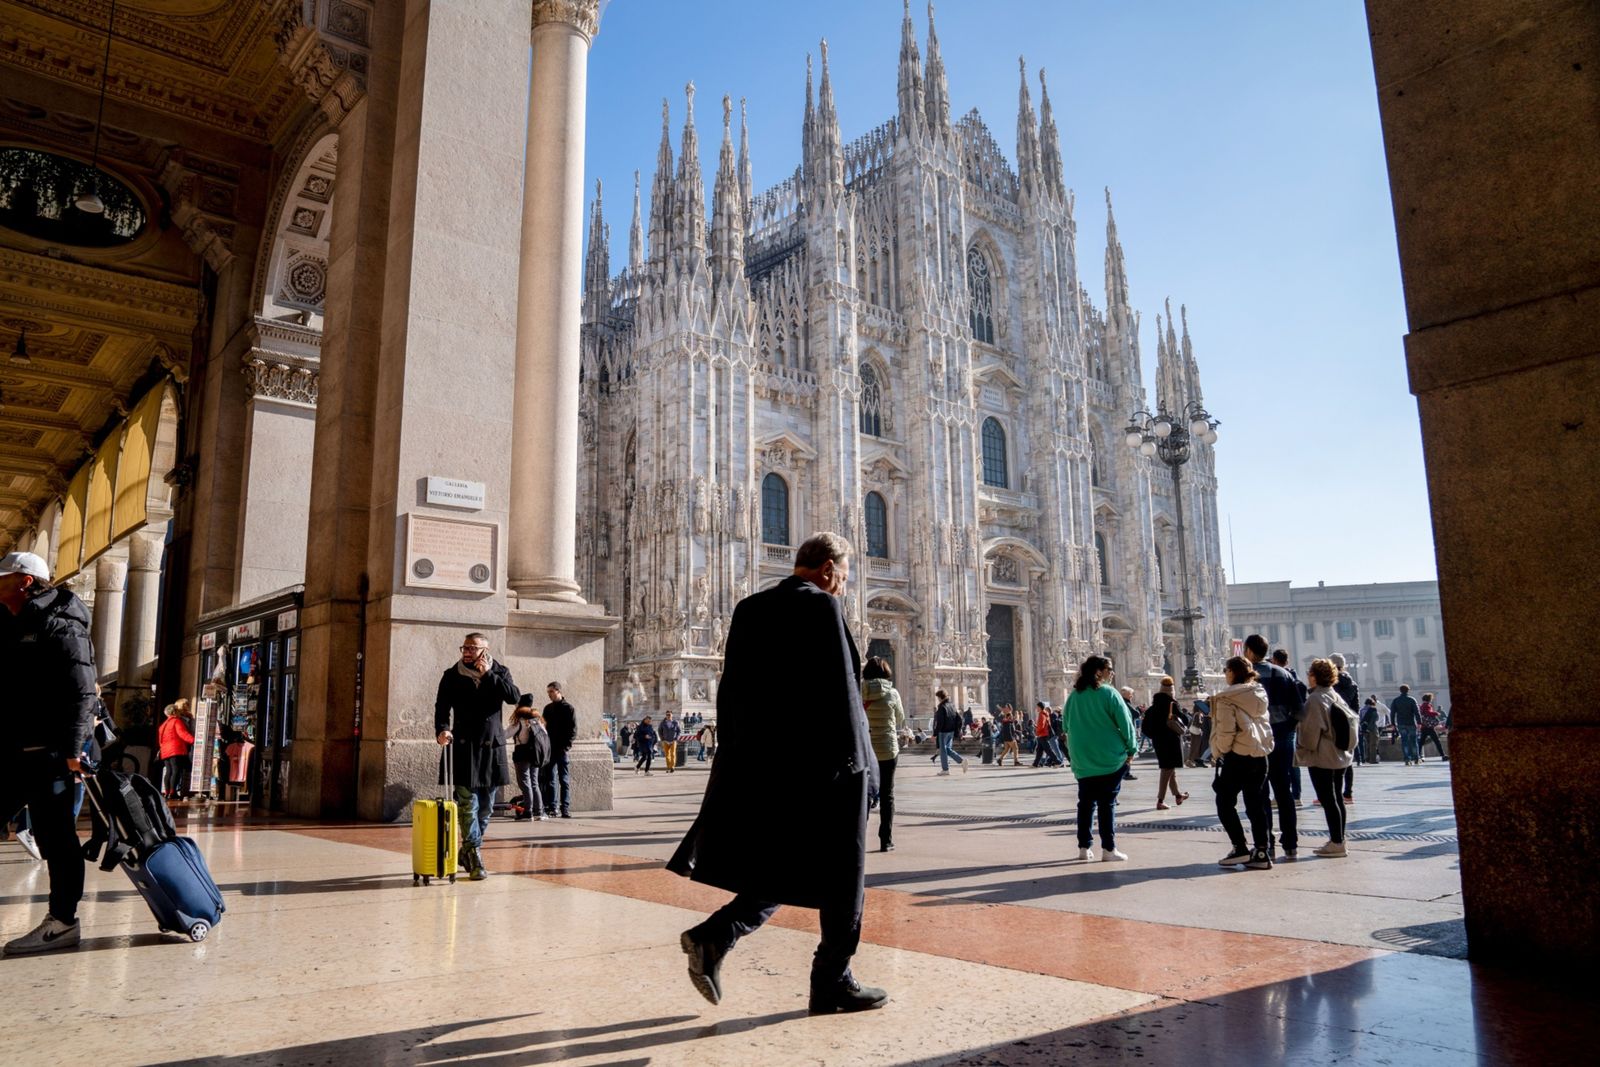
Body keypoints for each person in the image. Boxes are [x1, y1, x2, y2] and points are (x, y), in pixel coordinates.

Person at [669, 532, 886, 1015]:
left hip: (768, 766)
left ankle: (715, 936)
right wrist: (866, 769)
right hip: (830, 767)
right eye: (845, 578)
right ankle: (833, 979)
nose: (844, 588)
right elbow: (842, 694)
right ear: (829, 569)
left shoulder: (750, 607)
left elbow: (732, 694)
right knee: (844, 874)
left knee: (792, 865)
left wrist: (740, 760)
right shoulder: (823, 608)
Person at [0, 551, 96, 955]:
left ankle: (62, 922)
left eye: (3, 577)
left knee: (56, 838)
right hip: (15, 749)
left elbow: (82, 691)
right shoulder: (13, 623)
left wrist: (74, 750)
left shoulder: (60, 624)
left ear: (24, 581)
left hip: (52, 754)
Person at [434, 631, 520, 881]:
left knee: (486, 807)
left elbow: (513, 697)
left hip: (491, 747)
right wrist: (442, 729)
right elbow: (442, 707)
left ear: (485, 650)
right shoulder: (451, 675)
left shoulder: (500, 672)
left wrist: (488, 675)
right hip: (462, 746)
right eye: (465, 648)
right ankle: (475, 858)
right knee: (468, 806)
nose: (468, 652)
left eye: (473, 648)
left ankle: (467, 850)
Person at [1064, 655, 1137, 862]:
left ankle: (1083, 848)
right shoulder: (1109, 693)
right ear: (1098, 672)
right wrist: (1132, 749)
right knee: (1107, 804)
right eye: (1109, 669)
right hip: (1109, 759)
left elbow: (1065, 726)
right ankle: (1108, 849)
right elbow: (1126, 724)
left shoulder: (1074, 696)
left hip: (1083, 761)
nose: (1112, 673)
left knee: (1085, 804)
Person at [1210, 656, 1276, 871]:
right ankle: (1261, 852)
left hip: (1238, 757)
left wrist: (1218, 751)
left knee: (1224, 802)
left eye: (1226, 670)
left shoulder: (1227, 698)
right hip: (1260, 757)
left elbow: (1226, 733)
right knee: (1255, 805)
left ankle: (1240, 847)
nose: (1225, 674)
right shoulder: (1259, 694)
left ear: (1232, 672)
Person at [1244, 634, 1304, 860]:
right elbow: (1299, 710)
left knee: (1260, 793)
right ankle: (1291, 844)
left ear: (1249, 651)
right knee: (1284, 792)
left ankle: (1266, 844)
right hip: (1281, 741)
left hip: (1257, 742)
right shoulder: (1284, 674)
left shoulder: (1248, 677)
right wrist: (1285, 731)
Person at [1296, 658, 1357, 858]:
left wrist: (1302, 748)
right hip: (1340, 755)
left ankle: (1337, 842)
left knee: (1327, 798)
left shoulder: (1315, 699)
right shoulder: (1335, 695)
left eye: (1309, 674)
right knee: (1337, 798)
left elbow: (1311, 731)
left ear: (1314, 676)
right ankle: (1339, 838)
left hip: (1323, 756)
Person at [861, 656, 908, 852]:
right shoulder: (893, 693)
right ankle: (885, 840)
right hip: (888, 749)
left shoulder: (860, 691)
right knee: (887, 795)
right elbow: (900, 718)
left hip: (866, 749)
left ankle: (859, 837)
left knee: (863, 794)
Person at [1141, 677, 1190, 809]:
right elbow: (1185, 721)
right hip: (1171, 741)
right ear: (1172, 691)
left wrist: (1155, 735)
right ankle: (1160, 800)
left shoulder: (1152, 708)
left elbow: (1144, 728)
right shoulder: (1172, 705)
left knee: (1170, 769)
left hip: (1158, 741)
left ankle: (1178, 795)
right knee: (1167, 770)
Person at [508, 695, 550, 821]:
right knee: (534, 783)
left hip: (522, 754)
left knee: (526, 784)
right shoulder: (538, 721)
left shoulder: (520, 722)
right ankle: (539, 812)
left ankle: (528, 812)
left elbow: (505, 735)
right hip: (535, 755)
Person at [541, 682, 578, 817]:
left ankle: (565, 808)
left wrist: (566, 746)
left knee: (564, 779)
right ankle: (552, 806)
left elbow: (573, 730)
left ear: (558, 691)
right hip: (550, 749)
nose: (549, 695)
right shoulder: (547, 708)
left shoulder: (569, 708)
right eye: (548, 692)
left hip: (562, 749)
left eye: (551, 692)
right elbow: (543, 729)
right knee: (550, 778)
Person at [1329, 653, 1360, 801]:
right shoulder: (1352, 684)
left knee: (1332, 760)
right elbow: (1356, 708)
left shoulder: (1330, 684)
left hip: (1333, 724)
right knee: (1348, 761)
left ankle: (1334, 794)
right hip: (1349, 725)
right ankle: (1348, 793)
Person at [157, 698, 195, 800]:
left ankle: (167, 792)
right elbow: (183, 734)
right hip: (175, 750)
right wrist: (194, 741)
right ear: (174, 712)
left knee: (169, 771)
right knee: (176, 771)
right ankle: (173, 792)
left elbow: (160, 739)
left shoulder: (163, 725)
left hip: (165, 751)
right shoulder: (176, 721)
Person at [931, 690, 965, 775]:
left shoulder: (942, 707)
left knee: (943, 750)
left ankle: (945, 770)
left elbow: (940, 722)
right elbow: (959, 718)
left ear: (940, 697)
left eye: (938, 698)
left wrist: (935, 734)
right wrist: (957, 730)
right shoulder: (952, 705)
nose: (938, 699)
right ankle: (962, 761)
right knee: (947, 749)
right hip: (951, 731)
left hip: (943, 732)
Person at [1390, 684, 1422, 765]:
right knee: (1413, 741)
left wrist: (1393, 724)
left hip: (1401, 723)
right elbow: (1417, 712)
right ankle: (1416, 758)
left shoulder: (1396, 700)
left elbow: (1392, 713)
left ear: (1400, 691)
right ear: (1408, 690)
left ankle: (1407, 759)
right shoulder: (1412, 699)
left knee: (1404, 741)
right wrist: (1419, 722)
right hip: (1411, 722)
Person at [1116, 686, 1141, 781]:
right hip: (1127, 730)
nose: (1132, 695)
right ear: (1126, 694)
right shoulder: (1126, 702)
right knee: (1129, 752)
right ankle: (1126, 772)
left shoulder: (1120, 701)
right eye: (1131, 693)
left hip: (1121, 730)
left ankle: (1124, 772)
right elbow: (1136, 714)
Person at [1418, 692, 1448, 762]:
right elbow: (1428, 713)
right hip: (1429, 727)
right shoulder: (1427, 705)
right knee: (1437, 741)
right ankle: (1443, 755)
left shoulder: (1422, 705)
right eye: (1431, 699)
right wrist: (1436, 713)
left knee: (1421, 742)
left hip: (1424, 726)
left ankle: (1418, 755)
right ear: (1429, 699)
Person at [1360, 697, 1383, 765]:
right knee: (1373, 744)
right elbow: (1376, 718)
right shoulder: (1373, 709)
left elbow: (1361, 719)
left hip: (1364, 729)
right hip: (1372, 729)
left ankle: (1367, 758)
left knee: (1367, 744)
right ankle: (1372, 759)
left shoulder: (1361, 710)